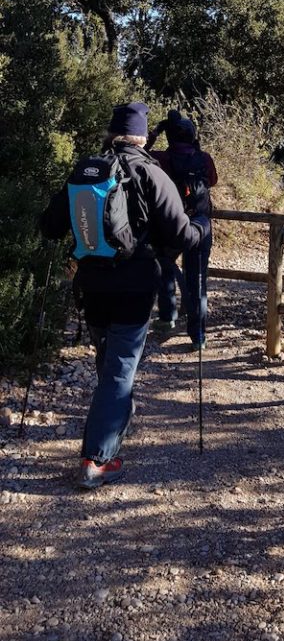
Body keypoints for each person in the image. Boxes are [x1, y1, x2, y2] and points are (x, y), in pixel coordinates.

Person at [39, 101, 210, 490]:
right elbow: (182, 235)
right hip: (133, 288)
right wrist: (201, 225)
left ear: (111, 134)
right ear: (142, 136)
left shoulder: (86, 173)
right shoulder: (151, 173)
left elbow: (49, 226)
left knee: (110, 362)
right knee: (119, 369)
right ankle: (97, 460)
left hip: (91, 286)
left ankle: (115, 422)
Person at [146, 109, 217, 350]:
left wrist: (155, 132)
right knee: (197, 279)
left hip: (172, 224)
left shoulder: (161, 159)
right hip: (201, 223)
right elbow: (213, 180)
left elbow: (139, 154)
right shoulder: (204, 158)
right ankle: (198, 336)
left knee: (165, 267)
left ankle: (167, 318)